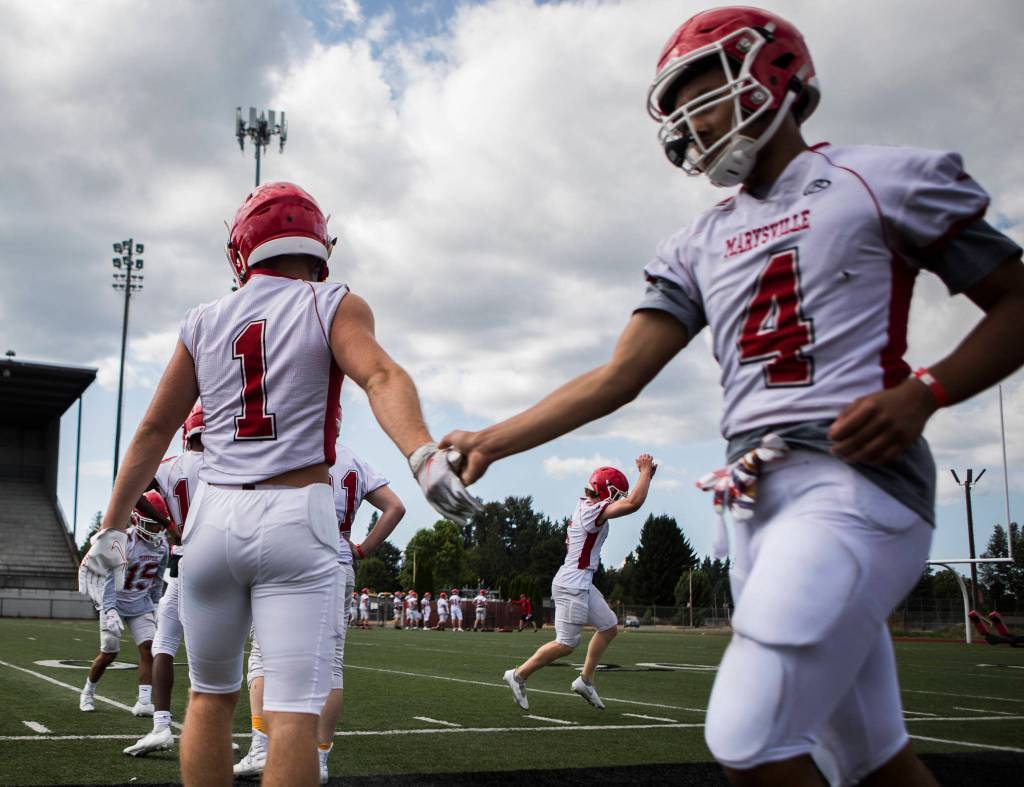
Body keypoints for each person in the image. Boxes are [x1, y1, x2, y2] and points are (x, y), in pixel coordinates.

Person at [440, 7, 1024, 786]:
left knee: (748, 734)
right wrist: (493, 439)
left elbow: (1015, 298)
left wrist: (926, 392)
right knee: (871, 756)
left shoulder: (877, 180)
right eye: (677, 105)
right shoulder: (698, 240)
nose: (689, 119)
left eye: (702, 92)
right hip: (753, 502)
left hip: (857, 479)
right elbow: (619, 375)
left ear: (769, 73)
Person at [77, 181, 480, 787]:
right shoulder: (333, 303)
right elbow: (379, 374)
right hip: (297, 515)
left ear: (242, 250)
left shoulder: (204, 320)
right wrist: (421, 452)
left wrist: (111, 528)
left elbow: (154, 428)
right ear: (319, 245)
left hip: (211, 525)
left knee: (210, 699)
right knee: (293, 712)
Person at [236, 444, 405, 783]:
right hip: (338, 561)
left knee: (262, 654)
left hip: (290, 556)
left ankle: (261, 749)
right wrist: (361, 548)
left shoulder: (286, 446)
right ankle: (319, 759)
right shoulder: (354, 459)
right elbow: (395, 508)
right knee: (331, 663)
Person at [503, 458, 654, 711]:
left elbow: (629, 501)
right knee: (566, 644)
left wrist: (646, 477)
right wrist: (646, 472)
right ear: (606, 491)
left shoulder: (587, 505)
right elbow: (634, 503)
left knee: (608, 626)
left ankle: (585, 680)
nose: (618, 498)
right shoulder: (592, 510)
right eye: (615, 493)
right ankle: (518, 674)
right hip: (573, 583)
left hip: (580, 580)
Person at [124, 404, 205, 757]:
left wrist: (169, 522)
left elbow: (134, 488)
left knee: (170, 646)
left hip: (189, 556)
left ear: (187, 433)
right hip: (220, 558)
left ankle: (195, 730)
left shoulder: (170, 466)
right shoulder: (231, 465)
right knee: (173, 644)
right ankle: (165, 727)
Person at [80, 491, 170, 718]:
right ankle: (88, 692)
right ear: (138, 520)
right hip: (115, 603)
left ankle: (144, 701)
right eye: (152, 525)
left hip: (140, 605)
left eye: (159, 525)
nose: (157, 530)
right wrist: (108, 609)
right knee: (109, 652)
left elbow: (157, 580)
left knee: (149, 649)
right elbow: (109, 580)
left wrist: (156, 605)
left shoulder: (162, 547)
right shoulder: (122, 542)